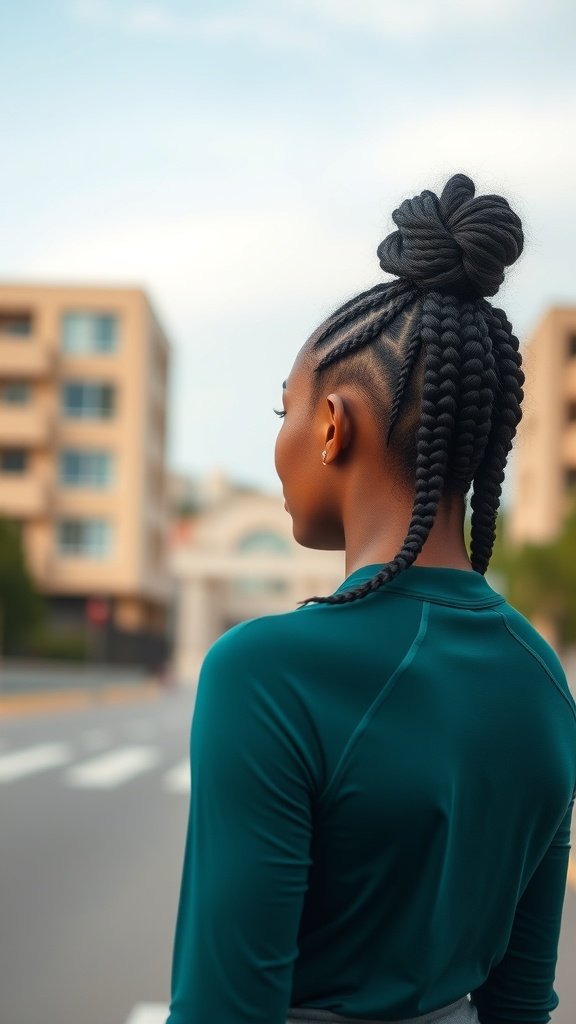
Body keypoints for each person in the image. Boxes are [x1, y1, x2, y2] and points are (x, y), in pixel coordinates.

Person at [164, 173, 576, 1024]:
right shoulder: (543, 681)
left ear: (332, 425)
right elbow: (522, 1005)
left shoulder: (266, 673)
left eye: (286, 409)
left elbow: (224, 1011)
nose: (279, 443)